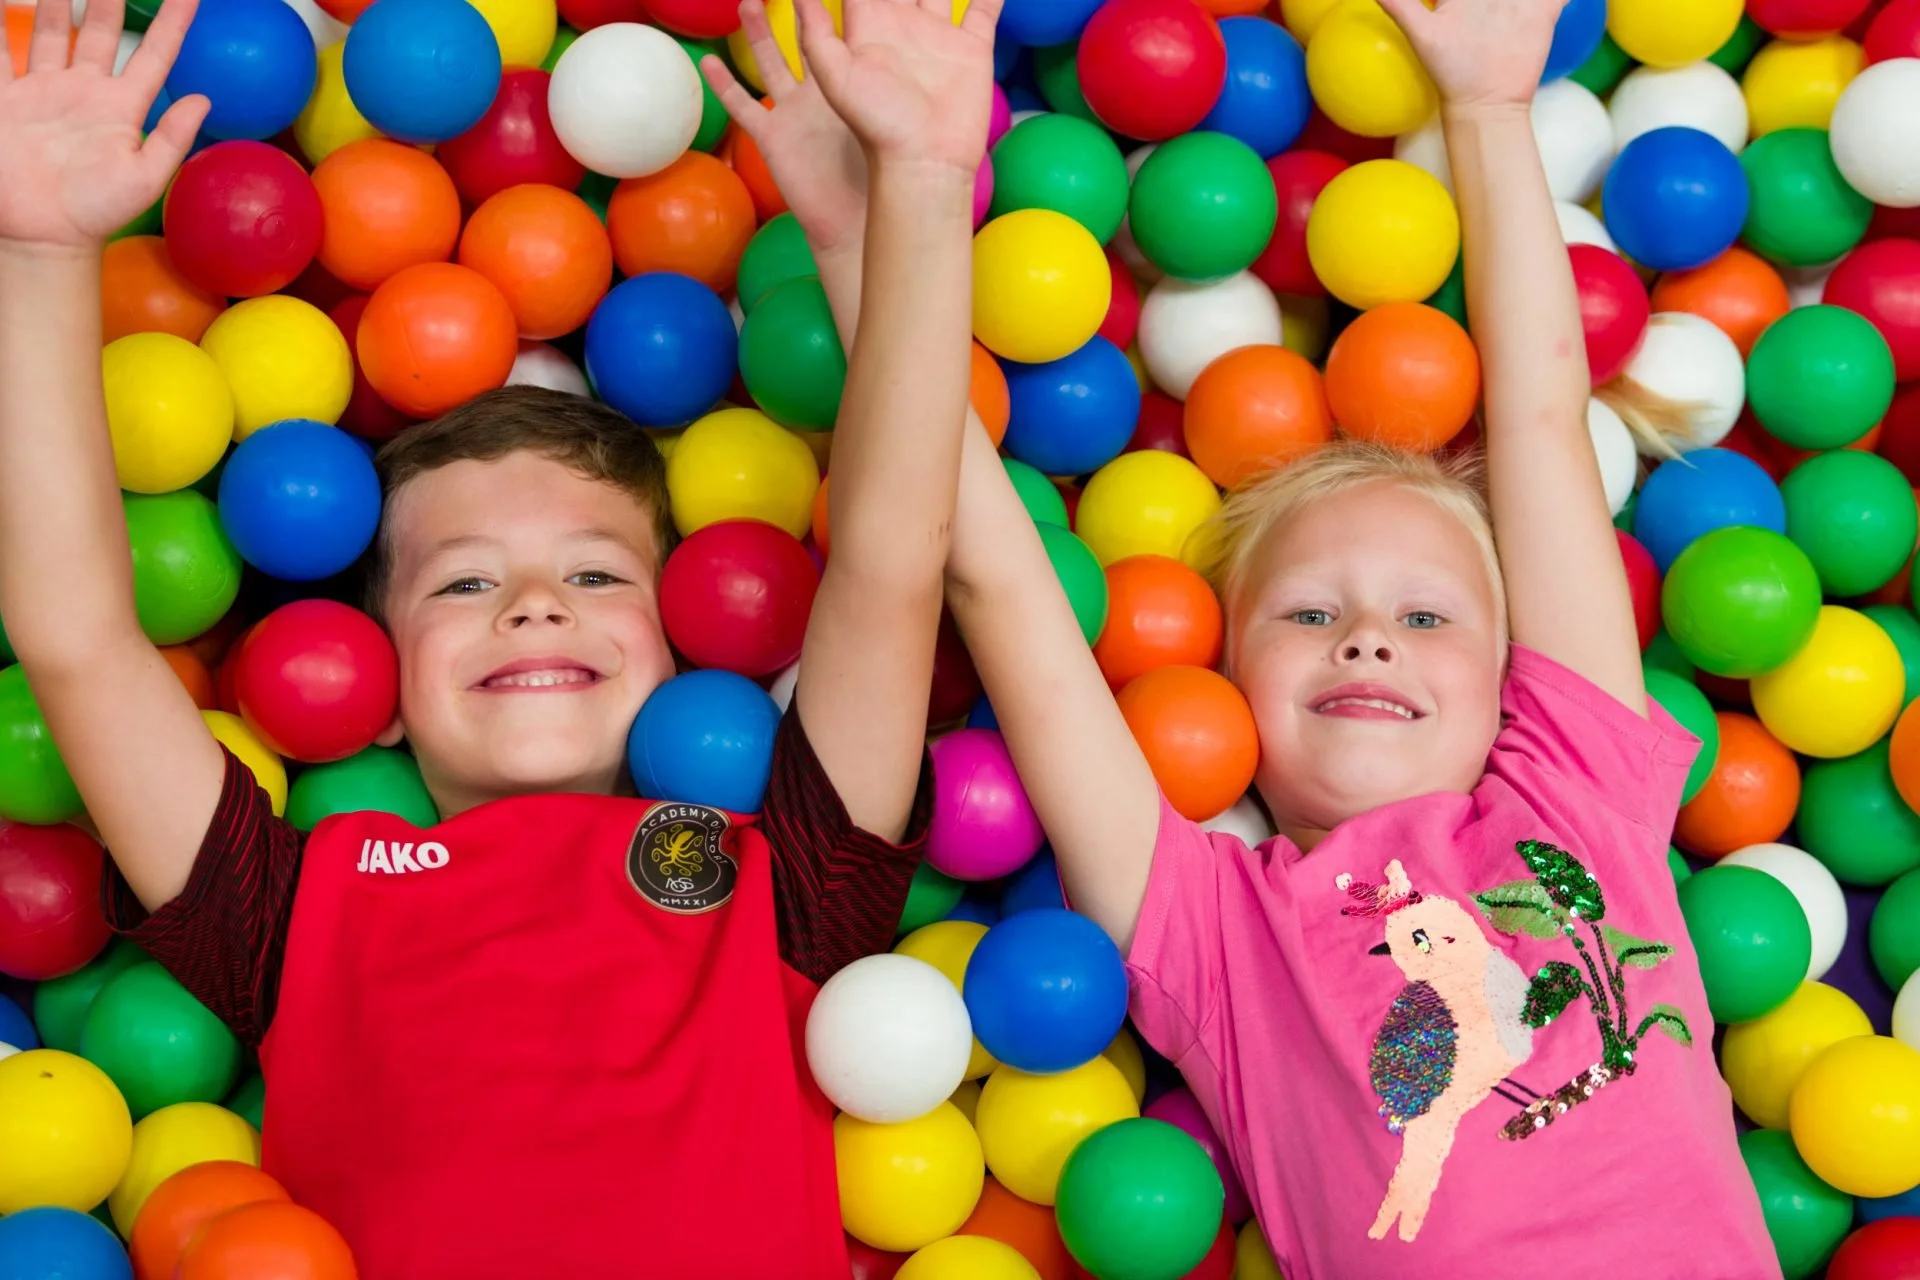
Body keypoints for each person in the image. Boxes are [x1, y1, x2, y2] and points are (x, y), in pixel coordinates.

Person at [734, 0, 1779, 1273]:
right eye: (1308, 612)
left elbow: (1549, 420)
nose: (1368, 641)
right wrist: (862, 233)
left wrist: (1492, 109)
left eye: (1427, 614)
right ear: (1230, 682)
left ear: (1515, 677)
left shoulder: (1581, 792)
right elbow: (998, 579)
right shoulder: (1215, 931)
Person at [0, 0, 996, 1270]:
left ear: (680, 642)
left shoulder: (775, 880)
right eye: (465, 585)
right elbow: (78, 635)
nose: (537, 603)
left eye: (593, 572)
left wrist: (918, 184)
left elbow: (894, 563)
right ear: (386, 684)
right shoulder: (304, 910)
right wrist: (35, 254)